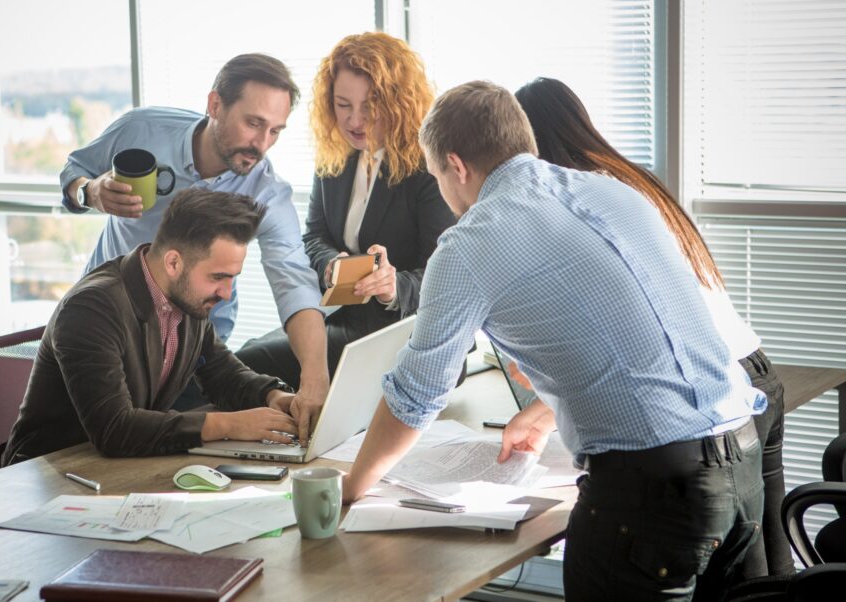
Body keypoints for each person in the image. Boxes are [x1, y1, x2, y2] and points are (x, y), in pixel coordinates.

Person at [342, 81, 768, 601]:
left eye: (437, 177)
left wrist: (350, 488)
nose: (446, 197)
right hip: (741, 458)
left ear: (455, 165)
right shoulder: (614, 192)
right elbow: (639, 335)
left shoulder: (470, 242)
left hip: (651, 491)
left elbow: (417, 395)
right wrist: (547, 412)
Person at [515, 76, 793, 580]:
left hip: (716, 388)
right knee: (771, 569)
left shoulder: (584, 206)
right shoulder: (628, 182)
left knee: (746, 577)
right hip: (753, 373)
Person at [59, 54, 328, 440]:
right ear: (215, 104)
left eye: (275, 131)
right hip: (110, 326)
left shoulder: (267, 191)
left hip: (190, 343)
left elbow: (294, 282)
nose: (262, 144)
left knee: (171, 444)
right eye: (253, 123)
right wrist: (90, 191)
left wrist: (314, 381)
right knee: (106, 435)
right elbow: (75, 169)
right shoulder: (141, 129)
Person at [2, 190, 300, 465]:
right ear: (174, 263)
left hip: (122, 465)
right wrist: (229, 424)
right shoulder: (91, 307)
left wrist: (274, 397)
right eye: (218, 277)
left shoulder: (187, 299)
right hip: (48, 471)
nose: (226, 292)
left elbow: (223, 374)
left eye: (233, 277)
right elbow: (114, 429)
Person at [234, 33, 456, 386]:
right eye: (343, 105)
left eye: (369, 105)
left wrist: (392, 285)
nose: (355, 121)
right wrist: (331, 264)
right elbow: (314, 236)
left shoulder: (428, 168)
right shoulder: (335, 157)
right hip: (344, 317)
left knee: (251, 363)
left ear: (399, 102)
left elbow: (446, 275)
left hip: (406, 333)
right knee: (247, 359)